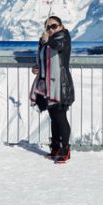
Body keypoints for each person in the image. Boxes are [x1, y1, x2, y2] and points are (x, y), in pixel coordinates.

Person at [31, 16, 75, 163]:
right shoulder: (46, 42)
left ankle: (65, 149)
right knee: (53, 117)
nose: (50, 29)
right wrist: (37, 68)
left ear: (61, 26)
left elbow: (58, 45)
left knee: (60, 117)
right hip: (48, 85)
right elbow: (43, 59)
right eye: (48, 27)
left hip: (60, 85)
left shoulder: (64, 38)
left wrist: (46, 40)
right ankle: (55, 146)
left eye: (54, 26)